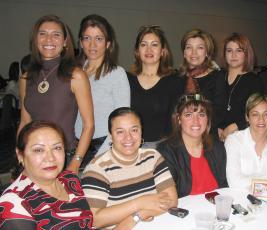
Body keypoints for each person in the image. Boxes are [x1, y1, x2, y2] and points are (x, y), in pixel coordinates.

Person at [0, 121, 109, 230]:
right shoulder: (15, 202)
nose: (50, 158)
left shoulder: (69, 180)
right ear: (20, 155)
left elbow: (83, 229)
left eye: (57, 148)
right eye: (38, 150)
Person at [81, 107, 178, 230]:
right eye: (120, 132)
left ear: (141, 132)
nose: (129, 137)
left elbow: (171, 201)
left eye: (134, 130)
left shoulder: (153, 157)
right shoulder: (97, 169)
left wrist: (136, 217)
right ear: (110, 135)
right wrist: (141, 202)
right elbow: (95, 219)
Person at [18, 15, 94, 173]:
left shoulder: (76, 75)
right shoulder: (26, 77)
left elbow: (89, 125)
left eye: (56, 34)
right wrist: (20, 152)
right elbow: (25, 121)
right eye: (43, 33)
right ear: (35, 39)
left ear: (65, 41)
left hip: (64, 157)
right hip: (35, 157)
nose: (49, 39)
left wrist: (76, 162)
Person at [75, 14, 130, 168]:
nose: (92, 44)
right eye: (87, 38)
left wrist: (100, 158)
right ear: (80, 42)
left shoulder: (116, 74)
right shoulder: (75, 73)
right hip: (76, 147)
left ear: (107, 44)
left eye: (98, 38)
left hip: (102, 148)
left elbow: (122, 120)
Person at [157, 94, 228, 198]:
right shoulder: (166, 152)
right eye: (188, 115)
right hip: (185, 211)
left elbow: (225, 186)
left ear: (207, 119)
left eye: (201, 115)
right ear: (179, 119)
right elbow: (168, 197)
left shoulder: (217, 147)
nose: (196, 121)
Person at [127, 25, 182, 148]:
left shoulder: (175, 81)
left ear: (163, 51)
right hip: (129, 145)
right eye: (143, 44)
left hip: (162, 147)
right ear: (137, 51)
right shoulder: (126, 80)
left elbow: (176, 122)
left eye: (154, 44)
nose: (149, 49)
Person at [225, 93, 267, 190]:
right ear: (247, 117)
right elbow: (234, 182)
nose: (261, 120)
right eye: (255, 114)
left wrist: (247, 181)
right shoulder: (234, 140)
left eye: (266, 114)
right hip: (239, 200)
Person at [179, 28, 226, 136]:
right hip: (181, 136)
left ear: (207, 53)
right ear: (184, 53)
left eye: (199, 48)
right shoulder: (176, 78)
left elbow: (219, 111)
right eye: (189, 47)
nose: (194, 52)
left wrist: (199, 129)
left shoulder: (217, 77)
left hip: (207, 135)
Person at [218, 32, 262, 141]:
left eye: (239, 50)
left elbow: (256, 111)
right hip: (215, 136)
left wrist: (234, 126)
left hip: (241, 135)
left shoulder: (254, 80)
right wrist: (215, 128)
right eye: (229, 51)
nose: (233, 55)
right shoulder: (217, 76)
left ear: (247, 54)